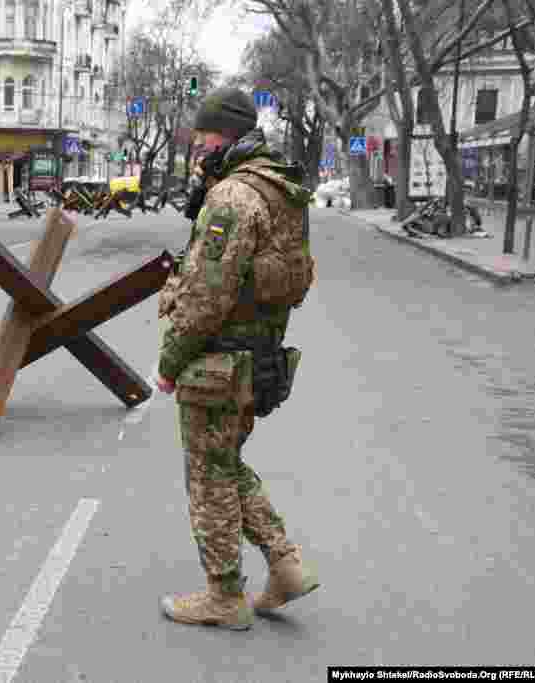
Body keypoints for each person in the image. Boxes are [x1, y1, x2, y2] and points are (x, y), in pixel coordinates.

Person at [155, 87, 319, 631]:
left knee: (207, 473)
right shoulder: (281, 190)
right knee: (224, 464)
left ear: (223, 133)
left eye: (202, 133)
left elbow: (206, 296)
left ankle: (224, 595)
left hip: (218, 361)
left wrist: (169, 362)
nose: (197, 143)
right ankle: (285, 565)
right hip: (258, 357)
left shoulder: (233, 197)